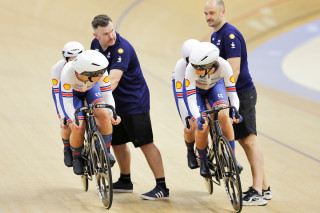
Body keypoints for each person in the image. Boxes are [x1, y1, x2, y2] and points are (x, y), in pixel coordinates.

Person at [90, 14, 169, 200]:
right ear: (96, 36)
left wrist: (95, 100)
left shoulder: (122, 48)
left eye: (112, 31)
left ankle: (162, 186)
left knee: (145, 143)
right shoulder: (94, 47)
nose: (111, 36)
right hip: (114, 103)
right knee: (117, 142)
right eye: (106, 34)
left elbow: (114, 79)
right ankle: (125, 181)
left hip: (134, 102)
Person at [204, 0, 271, 206]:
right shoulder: (215, 36)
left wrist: (221, 97)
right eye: (206, 13)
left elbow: (234, 71)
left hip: (241, 93)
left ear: (223, 12)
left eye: (212, 13)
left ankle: (257, 191)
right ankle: (265, 188)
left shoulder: (229, 35)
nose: (208, 17)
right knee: (243, 140)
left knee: (249, 140)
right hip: (231, 93)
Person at [184, 42, 242, 178]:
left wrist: (235, 112)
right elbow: (191, 99)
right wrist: (198, 118)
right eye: (194, 66)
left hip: (215, 88)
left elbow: (233, 94)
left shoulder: (224, 66)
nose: (195, 70)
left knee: (224, 116)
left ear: (211, 65)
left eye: (200, 67)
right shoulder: (190, 70)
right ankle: (203, 161)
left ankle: (232, 159)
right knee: (203, 127)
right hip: (197, 93)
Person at [59, 50, 121, 175]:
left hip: (91, 89)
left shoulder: (100, 71)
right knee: (78, 127)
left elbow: (107, 94)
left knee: (104, 114)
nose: (102, 75)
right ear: (86, 73)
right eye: (99, 74)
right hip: (73, 95)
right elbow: (67, 102)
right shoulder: (67, 72)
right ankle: (76, 156)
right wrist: (73, 119)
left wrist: (111, 113)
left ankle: (106, 152)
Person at [51, 41, 84, 167]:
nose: (75, 62)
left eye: (77, 58)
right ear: (65, 58)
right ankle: (67, 147)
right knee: (66, 124)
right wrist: (61, 116)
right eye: (71, 59)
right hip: (65, 92)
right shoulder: (57, 69)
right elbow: (57, 93)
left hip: (83, 89)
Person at [172, 39, 200, 169]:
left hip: (201, 84)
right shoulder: (180, 67)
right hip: (184, 86)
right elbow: (180, 97)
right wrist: (186, 119)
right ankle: (190, 152)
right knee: (191, 125)